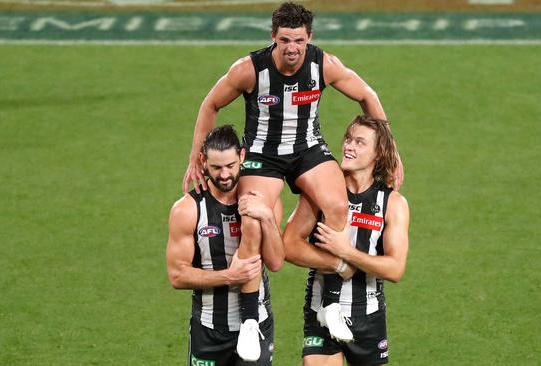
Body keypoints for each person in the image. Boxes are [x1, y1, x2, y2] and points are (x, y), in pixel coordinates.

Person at [182, 2, 403, 359]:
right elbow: (210, 104)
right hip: (262, 154)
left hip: (307, 150)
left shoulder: (323, 64)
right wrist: (196, 154)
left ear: (309, 38)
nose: (291, 48)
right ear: (273, 37)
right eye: (284, 40)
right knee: (251, 217)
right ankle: (251, 319)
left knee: (336, 204)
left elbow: (367, 95)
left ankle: (331, 303)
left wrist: (391, 150)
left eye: (298, 40)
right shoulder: (249, 69)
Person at [283, 115, 410, 366]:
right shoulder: (321, 191)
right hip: (321, 312)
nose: (349, 146)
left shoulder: (393, 204)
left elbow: (395, 269)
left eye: (360, 143)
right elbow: (288, 245)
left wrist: (346, 252)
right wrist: (338, 264)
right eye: (349, 139)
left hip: (368, 315)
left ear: (378, 154)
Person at [167, 125, 285, 364]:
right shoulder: (187, 209)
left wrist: (268, 217)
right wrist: (230, 276)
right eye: (216, 167)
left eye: (230, 166)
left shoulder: (263, 200)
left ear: (242, 156)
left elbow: (275, 261)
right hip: (209, 328)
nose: (224, 175)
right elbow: (177, 276)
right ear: (202, 161)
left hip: (258, 324)